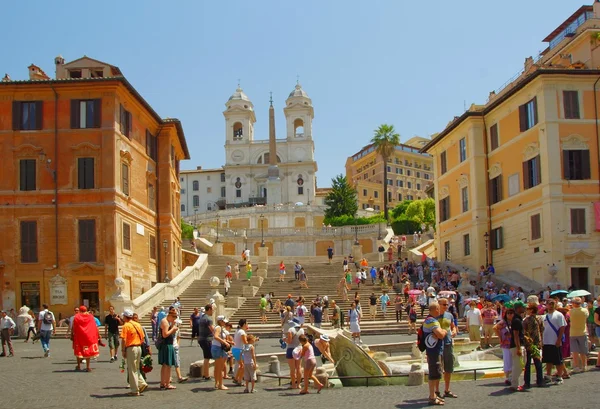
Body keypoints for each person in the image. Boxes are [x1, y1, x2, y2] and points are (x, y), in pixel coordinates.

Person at [423, 302, 447, 406]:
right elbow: (441, 335)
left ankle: (433, 395)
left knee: (436, 373)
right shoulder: (432, 321)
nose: (439, 310)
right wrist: (445, 331)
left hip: (435, 350)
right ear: (435, 309)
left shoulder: (431, 320)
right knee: (433, 374)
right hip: (434, 351)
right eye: (438, 308)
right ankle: (432, 397)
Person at [120, 309, 149, 396]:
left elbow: (123, 339)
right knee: (136, 368)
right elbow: (142, 338)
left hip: (131, 348)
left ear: (125, 317)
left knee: (132, 369)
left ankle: (134, 390)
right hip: (138, 347)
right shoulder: (137, 324)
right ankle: (142, 383)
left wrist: (123, 350)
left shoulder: (126, 325)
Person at [436, 298, 458, 399]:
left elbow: (453, 326)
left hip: (448, 344)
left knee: (448, 368)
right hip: (437, 345)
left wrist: (454, 331)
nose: (446, 306)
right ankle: (436, 391)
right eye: (444, 304)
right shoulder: (433, 316)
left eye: (447, 304)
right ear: (438, 305)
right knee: (437, 369)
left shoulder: (449, 315)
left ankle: (447, 390)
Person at [543, 299, 567, 384]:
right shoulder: (544, 316)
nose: (551, 305)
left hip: (555, 341)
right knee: (548, 360)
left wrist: (559, 339)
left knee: (558, 360)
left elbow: (562, 327)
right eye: (549, 304)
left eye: (552, 304)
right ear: (546, 305)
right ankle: (548, 375)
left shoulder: (559, 315)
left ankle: (559, 376)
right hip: (546, 341)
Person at [522, 303, 544, 388]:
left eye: (528, 309)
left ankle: (527, 382)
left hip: (529, 343)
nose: (526, 310)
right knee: (537, 362)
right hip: (536, 342)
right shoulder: (539, 318)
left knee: (529, 363)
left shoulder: (526, 320)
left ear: (531, 310)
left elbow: (523, 331)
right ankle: (540, 381)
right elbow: (542, 329)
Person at [72, 306, 99, 372]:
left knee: (79, 350)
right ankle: (88, 367)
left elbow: (74, 327)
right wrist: (97, 335)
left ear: (80, 310)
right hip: (88, 336)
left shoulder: (76, 317)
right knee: (88, 351)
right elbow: (94, 327)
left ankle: (78, 365)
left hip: (79, 336)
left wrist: (72, 335)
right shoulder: (90, 317)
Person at [158, 307, 179, 390]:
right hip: (166, 345)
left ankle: (163, 382)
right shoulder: (165, 322)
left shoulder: (167, 321)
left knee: (164, 365)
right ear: (170, 315)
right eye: (174, 317)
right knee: (168, 365)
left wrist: (173, 325)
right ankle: (167, 383)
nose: (174, 319)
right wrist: (173, 329)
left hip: (166, 344)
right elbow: (165, 334)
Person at [508, 300, 526, 392]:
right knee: (517, 365)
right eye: (523, 307)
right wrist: (518, 348)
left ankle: (516, 383)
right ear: (518, 308)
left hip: (518, 344)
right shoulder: (516, 320)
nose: (525, 308)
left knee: (520, 365)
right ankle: (514, 384)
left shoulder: (518, 319)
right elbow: (515, 335)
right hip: (516, 345)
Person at [494, 307, 513, 386]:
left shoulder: (514, 322)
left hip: (513, 343)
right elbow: (495, 328)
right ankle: (508, 377)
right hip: (505, 343)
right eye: (508, 313)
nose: (510, 315)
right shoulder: (503, 322)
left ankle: (512, 377)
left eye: (511, 313)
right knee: (507, 360)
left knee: (513, 361)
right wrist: (500, 337)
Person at [569, 297, 589, 372]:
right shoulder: (584, 310)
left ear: (574, 303)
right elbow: (587, 316)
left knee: (575, 351)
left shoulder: (570, 311)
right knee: (583, 351)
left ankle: (576, 367)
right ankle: (584, 366)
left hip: (573, 333)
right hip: (582, 332)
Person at [211, 316, 231, 390]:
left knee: (217, 367)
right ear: (220, 321)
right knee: (220, 368)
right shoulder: (218, 328)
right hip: (218, 348)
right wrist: (225, 342)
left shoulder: (218, 327)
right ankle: (220, 384)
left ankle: (217, 383)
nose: (225, 322)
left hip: (216, 347)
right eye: (223, 321)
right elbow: (216, 336)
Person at [285, 318, 304, 389]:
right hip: (299, 348)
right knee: (299, 367)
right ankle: (298, 384)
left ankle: (293, 384)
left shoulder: (290, 330)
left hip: (291, 349)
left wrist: (285, 340)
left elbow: (289, 341)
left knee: (292, 369)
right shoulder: (302, 330)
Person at [198, 304, 215, 380]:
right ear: (209, 309)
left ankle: (205, 374)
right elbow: (212, 330)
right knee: (207, 357)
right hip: (207, 339)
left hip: (201, 339)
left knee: (206, 357)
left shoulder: (202, 317)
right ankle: (206, 375)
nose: (213, 311)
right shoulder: (208, 319)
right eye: (212, 310)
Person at [233, 319, 249, 385]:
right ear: (244, 324)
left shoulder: (237, 330)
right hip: (239, 350)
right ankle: (238, 379)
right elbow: (245, 342)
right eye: (247, 323)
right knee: (243, 366)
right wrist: (252, 341)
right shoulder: (242, 332)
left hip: (235, 349)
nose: (248, 325)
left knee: (241, 365)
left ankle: (237, 379)